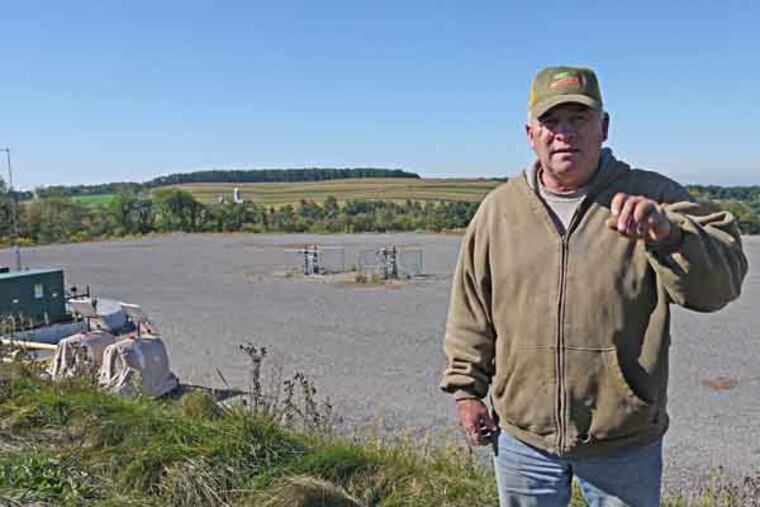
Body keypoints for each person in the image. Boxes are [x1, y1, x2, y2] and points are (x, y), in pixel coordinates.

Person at [440, 65, 748, 506]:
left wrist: (670, 235)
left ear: (603, 127)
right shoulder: (498, 212)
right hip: (523, 442)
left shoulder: (652, 197)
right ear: (530, 133)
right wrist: (466, 391)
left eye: (579, 119)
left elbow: (721, 283)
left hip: (623, 444)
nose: (564, 133)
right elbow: (471, 310)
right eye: (551, 121)